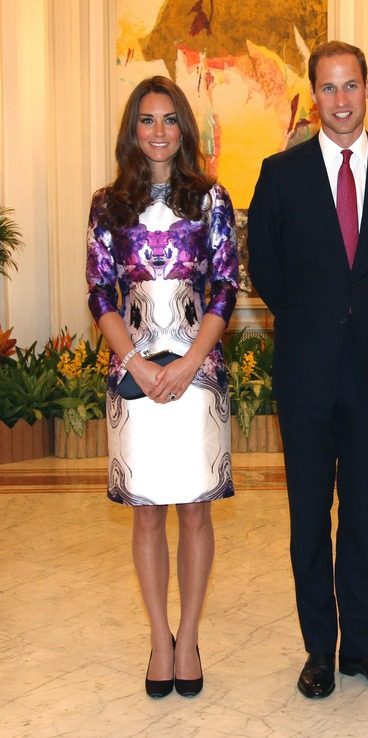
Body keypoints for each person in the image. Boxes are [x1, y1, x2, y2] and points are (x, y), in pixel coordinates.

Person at [247, 41, 368, 698]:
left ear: (367, 88)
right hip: (306, 372)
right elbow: (265, 267)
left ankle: (363, 649)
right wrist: (317, 318)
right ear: (314, 94)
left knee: (361, 516)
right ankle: (318, 652)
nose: (341, 100)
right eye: (327, 88)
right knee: (308, 518)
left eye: (350, 85)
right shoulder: (280, 172)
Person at [86, 76, 239, 699]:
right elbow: (99, 290)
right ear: (133, 130)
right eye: (147, 120)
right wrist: (140, 365)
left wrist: (185, 364)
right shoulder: (107, 203)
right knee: (147, 515)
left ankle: (191, 635)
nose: (158, 131)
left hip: (198, 375)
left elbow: (226, 287)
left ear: (185, 130)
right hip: (133, 375)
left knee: (195, 512)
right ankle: (159, 640)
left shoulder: (212, 200)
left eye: (169, 120)